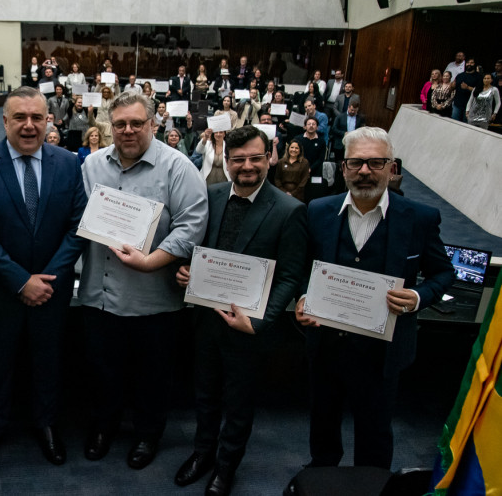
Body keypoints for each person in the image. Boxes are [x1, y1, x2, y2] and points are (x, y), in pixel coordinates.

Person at [295, 126, 454, 469]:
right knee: (322, 422)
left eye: (375, 162)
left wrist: (416, 296)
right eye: (356, 163)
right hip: (326, 345)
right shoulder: (318, 211)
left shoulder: (421, 218)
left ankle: (371, 483)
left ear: (391, 167)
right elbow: (301, 268)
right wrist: (303, 297)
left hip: (383, 352)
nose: (365, 171)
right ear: (343, 168)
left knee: (376, 431)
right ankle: (322, 474)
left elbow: (444, 273)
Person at [173, 126, 307, 496]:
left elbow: (292, 275)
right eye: (238, 160)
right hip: (205, 319)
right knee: (203, 394)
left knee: (239, 402)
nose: (247, 166)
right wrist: (184, 270)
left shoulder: (289, 210)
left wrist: (259, 322)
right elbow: (193, 246)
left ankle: (226, 466)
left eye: (255, 158)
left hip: (247, 328)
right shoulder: (210, 195)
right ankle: (202, 453)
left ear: (269, 158)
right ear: (226, 162)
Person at [78, 91, 208, 471]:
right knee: (104, 372)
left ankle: (148, 435)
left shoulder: (178, 167)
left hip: (154, 299)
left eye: (137, 123)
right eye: (120, 124)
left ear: (154, 123)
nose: (128, 130)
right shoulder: (92, 165)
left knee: (153, 378)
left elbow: (192, 226)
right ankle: (104, 428)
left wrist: (153, 261)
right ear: (110, 126)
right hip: (99, 296)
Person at [0, 86, 88, 471]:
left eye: (37, 117)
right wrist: (20, 280)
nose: (30, 125)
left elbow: (79, 226)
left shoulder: (68, 163)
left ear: (49, 119)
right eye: (20, 117)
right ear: (5, 121)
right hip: (1, 291)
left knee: (48, 361)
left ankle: (47, 424)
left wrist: (45, 280)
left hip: (52, 290)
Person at [451, 58, 479, 122]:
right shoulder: (460, 75)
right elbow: (453, 87)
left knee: (465, 124)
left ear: (475, 64)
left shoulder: (479, 76)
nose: (469, 64)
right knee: (454, 122)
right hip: (457, 104)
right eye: (468, 63)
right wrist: (452, 86)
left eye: (472, 63)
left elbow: (479, 91)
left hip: (470, 106)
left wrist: (468, 88)